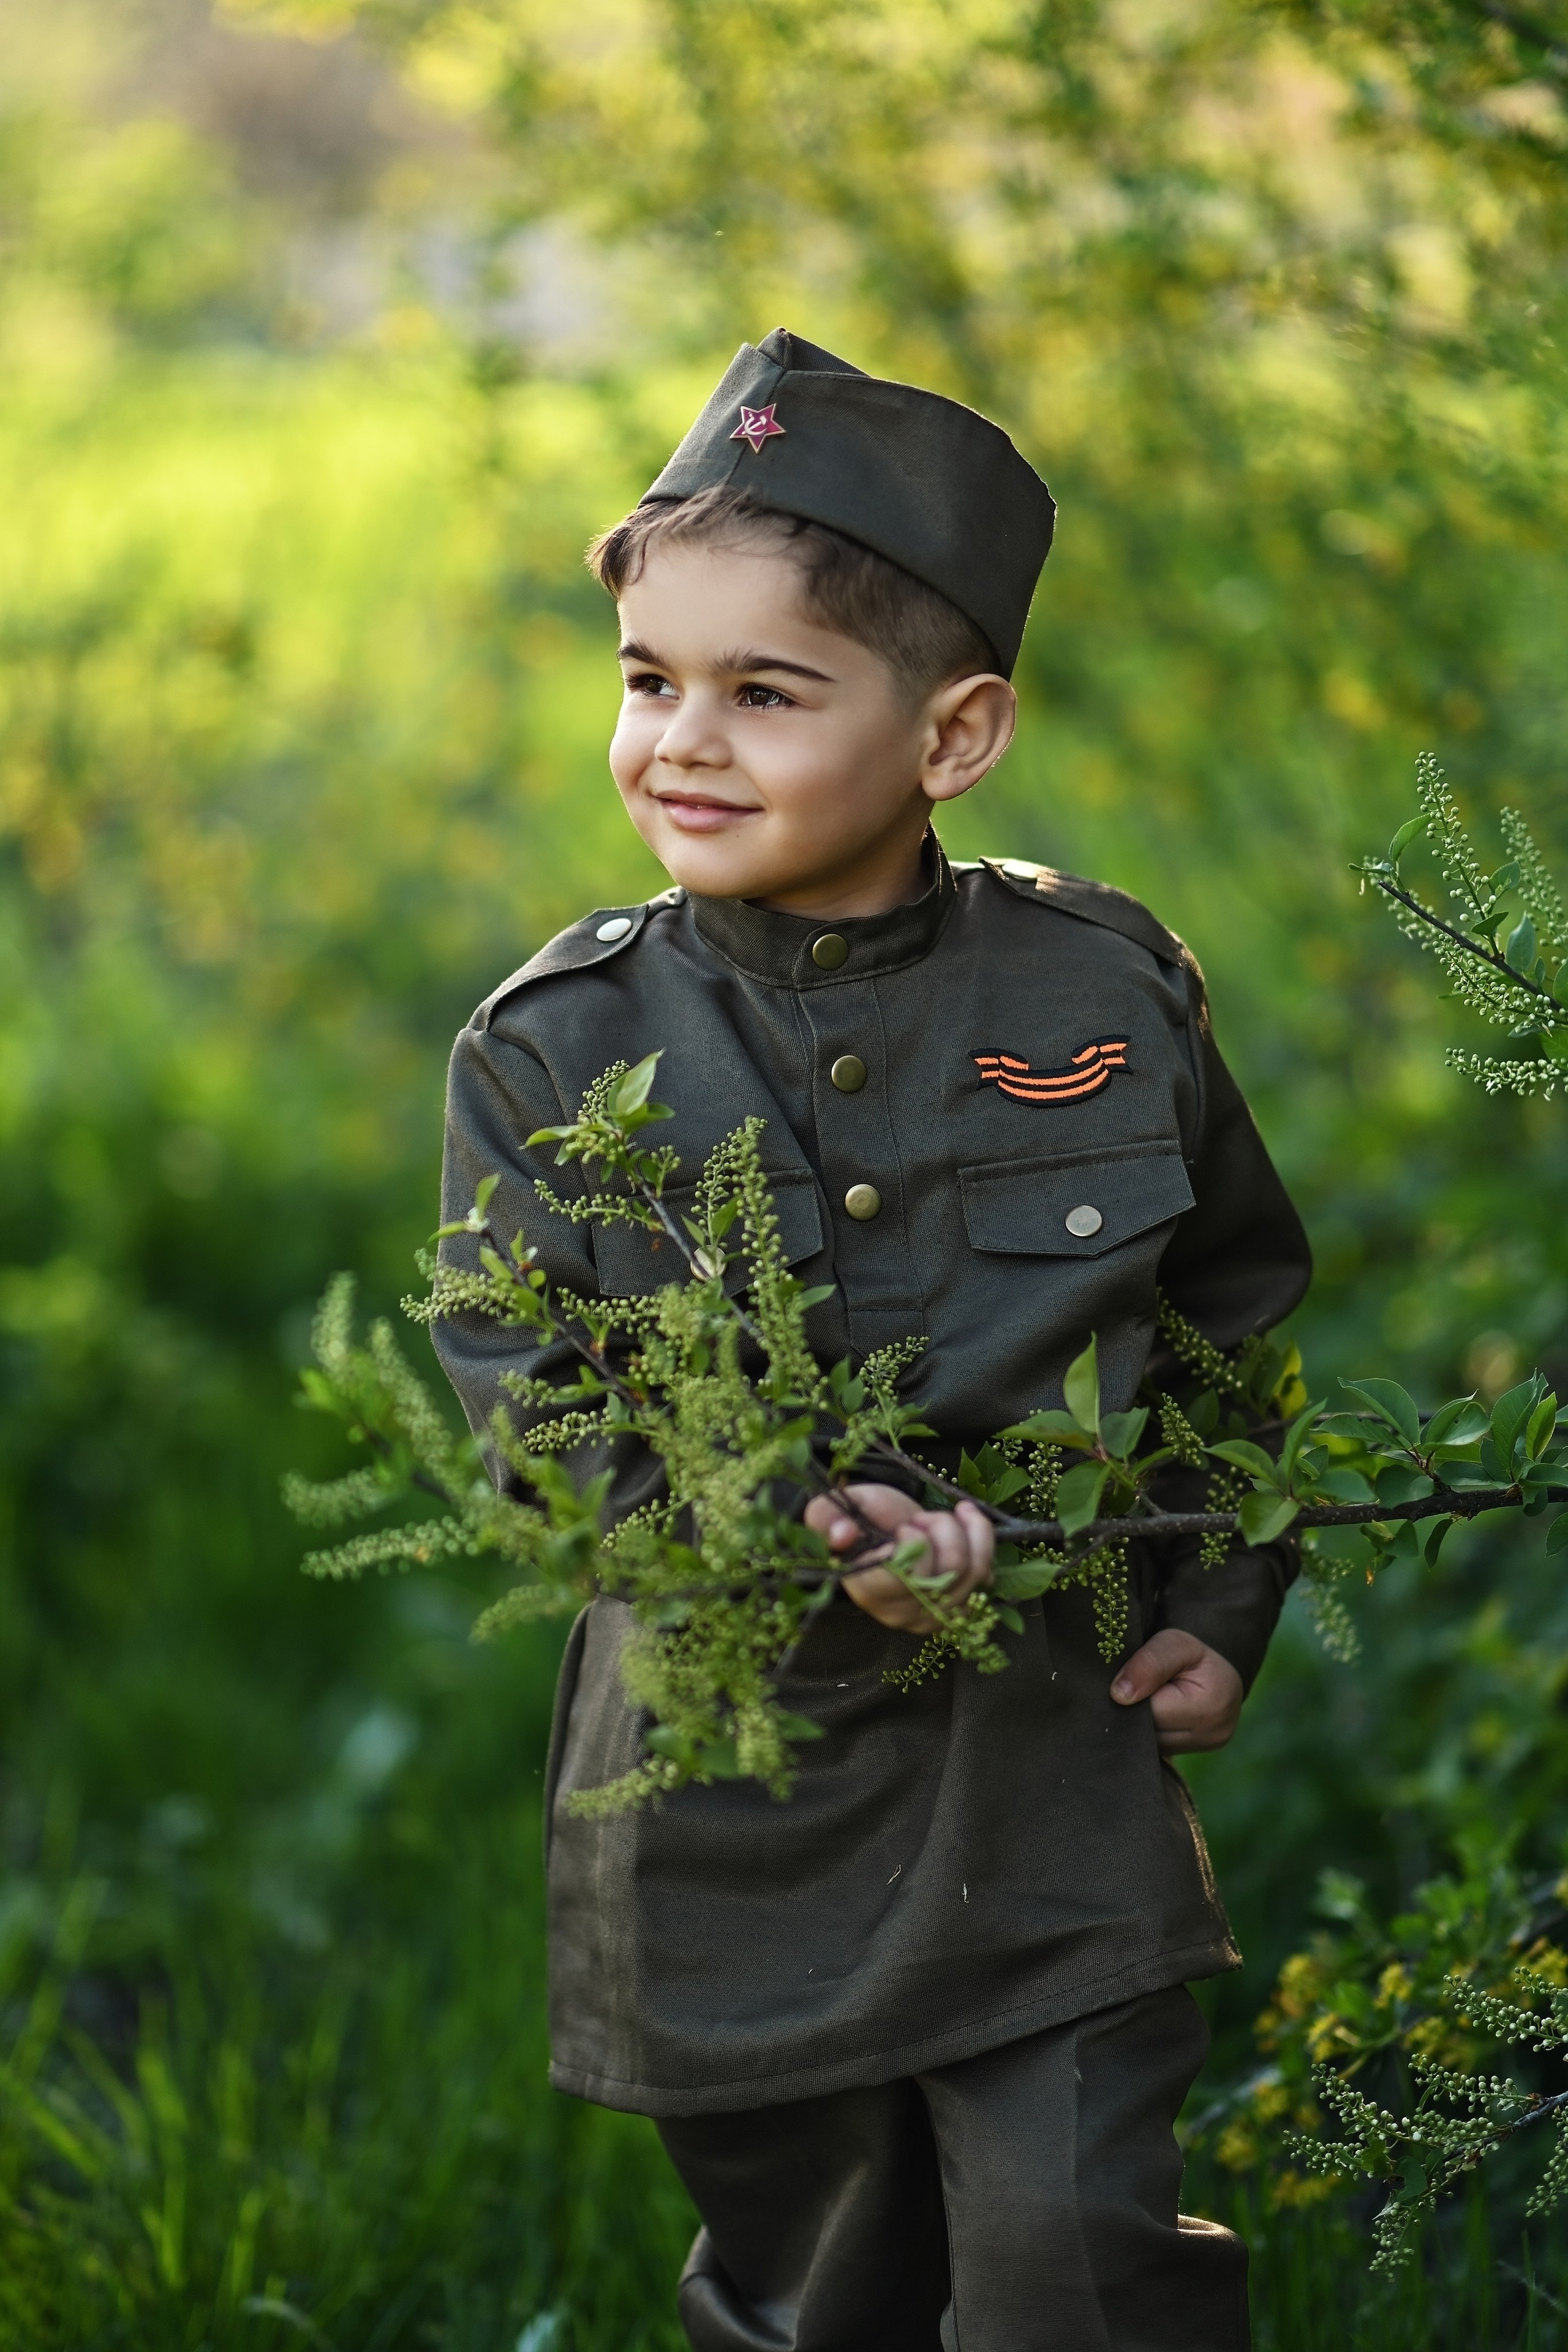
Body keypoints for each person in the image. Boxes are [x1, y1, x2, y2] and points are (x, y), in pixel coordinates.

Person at [432, 327, 1312, 2351]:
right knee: (821, 2292)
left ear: (955, 732)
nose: (683, 742)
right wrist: (796, 1535)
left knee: (1079, 2267)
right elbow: (535, 1414)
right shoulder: (554, 1052)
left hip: (1046, 1778)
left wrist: (1219, 1591)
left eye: (765, 691)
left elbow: (1231, 1306)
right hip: (732, 1812)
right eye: (649, 680)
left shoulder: (1102, 988)